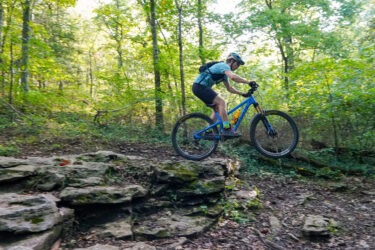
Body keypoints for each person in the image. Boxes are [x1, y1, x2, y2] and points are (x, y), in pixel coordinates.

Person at [192, 52, 257, 137]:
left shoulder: (223, 74)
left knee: (217, 109)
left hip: (199, 88)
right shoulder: (224, 66)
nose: (237, 67)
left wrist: (243, 93)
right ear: (231, 61)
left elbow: (229, 88)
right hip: (199, 86)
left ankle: (208, 131)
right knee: (221, 102)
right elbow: (233, 77)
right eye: (238, 64)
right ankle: (227, 129)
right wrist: (248, 82)